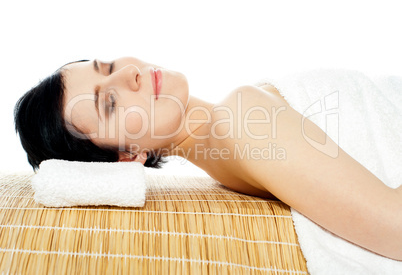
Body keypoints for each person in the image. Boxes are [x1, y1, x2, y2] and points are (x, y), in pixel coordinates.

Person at [14, 56, 402, 261]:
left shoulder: (230, 147)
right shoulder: (240, 120)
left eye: (110, 65)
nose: (130, 72)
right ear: (128, 155)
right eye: (109, 103)